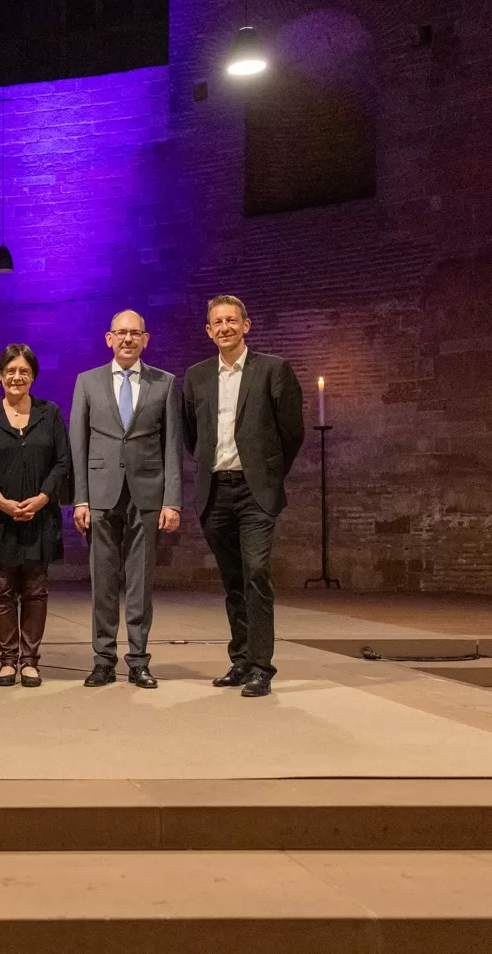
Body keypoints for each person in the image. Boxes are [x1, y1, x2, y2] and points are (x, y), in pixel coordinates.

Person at [181, 294, 304, 698]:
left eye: (232, 321)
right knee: (232, 579)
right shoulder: (197, 376)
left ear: (246, 325)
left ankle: (261, 668)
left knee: (256, 574)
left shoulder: (273, 370)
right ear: (208, 330)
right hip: (216, 489)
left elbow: (292, 432)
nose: (225, 328)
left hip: (254, 492)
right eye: (217, 322)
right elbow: (190, 433)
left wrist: (268, 475)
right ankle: (240, 659)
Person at [71, 309, 181, 688]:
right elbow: (78, 445)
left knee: (140, 581)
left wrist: (172, 500)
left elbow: (172, 446)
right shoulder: (87, 382)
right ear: (108, 338)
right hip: (101, 494)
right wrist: (80, 499)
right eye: (121, 333)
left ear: (145, 340)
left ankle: (138, 660)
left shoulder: (164, 383)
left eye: (135, 333)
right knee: (103, 581)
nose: (128, 339)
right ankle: (103, 660)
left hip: (147, 493)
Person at [0, 344, 71, 687]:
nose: (16, 377)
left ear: (32, 376)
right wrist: (1, 501)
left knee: (36, 589)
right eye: (10, 371)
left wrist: (42, 498)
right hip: (0, 519)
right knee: (1, 590)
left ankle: (30, 660)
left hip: (39, 517)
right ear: (0, 376)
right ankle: (7, 660)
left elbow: (62, 463)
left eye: (23, 371)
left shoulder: (50, 413)